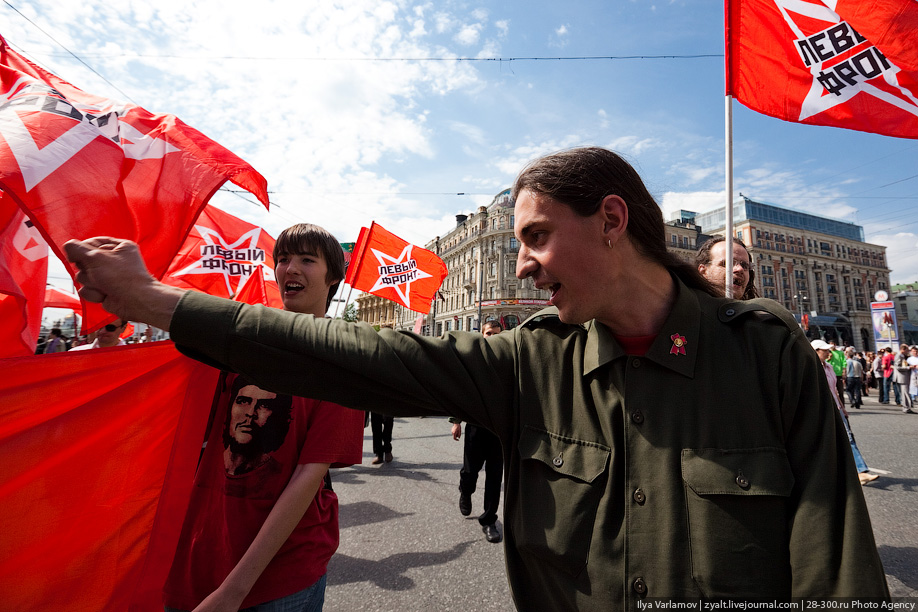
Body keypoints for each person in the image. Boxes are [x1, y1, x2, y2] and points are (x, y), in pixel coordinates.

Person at [65, 147, 889, 605]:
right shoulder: (534, 358)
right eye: (517, 240)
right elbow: (354, 356)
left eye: (536, 238)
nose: (524, 266)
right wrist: (161, 304)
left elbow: (836, 562)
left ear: (610, 221)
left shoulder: (764, 348)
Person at [161, 223, 365, 612]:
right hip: (202, 555)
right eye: (283, 259)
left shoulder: (343, 360)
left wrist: (235, 590)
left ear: (334, 277)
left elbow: (308, 478)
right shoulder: (243, 342)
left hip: (279, 576)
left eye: (307, 260)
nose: (290, 268)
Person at [449, 319, 505, 544]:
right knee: (470, 471)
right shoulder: (473, 361)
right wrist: (456, 421)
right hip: (476, 427)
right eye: (489, 333)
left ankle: (489, 520)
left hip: (499, 430)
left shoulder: (507, 361)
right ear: (482, 335)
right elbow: (462, 393)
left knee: (495, 476)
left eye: (497, 334)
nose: (492, 337)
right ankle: (466, 490)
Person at [812, 340, 878, 486]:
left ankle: (860, 472)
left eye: (828, 350)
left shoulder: (828, 367)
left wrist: (842, 407)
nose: (828, 353)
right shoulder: (811, 369)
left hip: (835, 408)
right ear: (815, 351)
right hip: (821, 411)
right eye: (824, 351)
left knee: (848, 438)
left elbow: (833, 390)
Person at [695, 235, 757, 299]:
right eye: (727, 263)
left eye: (745, 266)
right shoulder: (687, 307)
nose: (740, 269)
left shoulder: (759, 308)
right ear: (703, 271)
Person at [893, 343, 914, 414]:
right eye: (907, 350)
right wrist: (908, 367)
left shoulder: (903, 355)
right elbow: (898, 367)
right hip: (902, 376)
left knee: (906, 392)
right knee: (905, 392)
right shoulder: (899, 355)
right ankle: (906, 408)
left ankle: (907, 406)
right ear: (903, 350)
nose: (908, 352)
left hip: (905, 376)